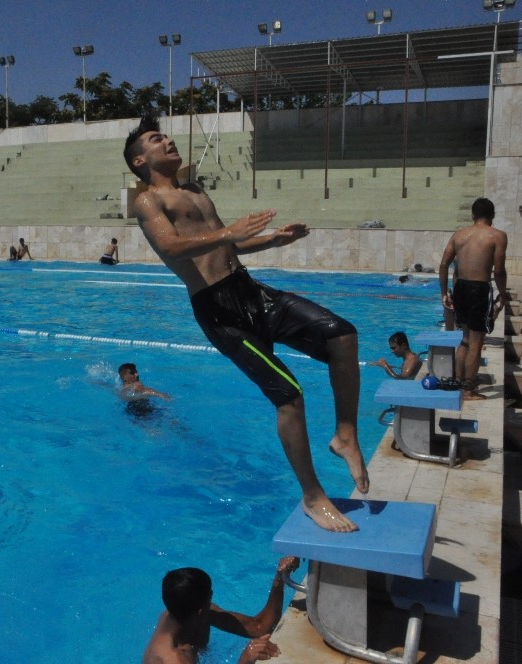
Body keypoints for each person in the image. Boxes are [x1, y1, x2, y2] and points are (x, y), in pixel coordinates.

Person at [124, 114, 367, 533]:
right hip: (218, 310)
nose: (167, 141)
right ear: (140, 161)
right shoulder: (148, 201)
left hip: (252, 292)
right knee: (288, 395)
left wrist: (272, 238)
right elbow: (171, 246)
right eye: (155, 139)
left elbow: (231, 242)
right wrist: (229, 234)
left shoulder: (196, 190)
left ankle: (345, 434)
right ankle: (312, 495)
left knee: (343, 336)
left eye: (165, 135)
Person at [142, 557, 300, 664]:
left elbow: (260, 627)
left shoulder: (186, 610)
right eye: (210, 595)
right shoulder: (172, 659)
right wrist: (244, 659)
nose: (212, 598)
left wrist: (280, 578)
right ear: (200, 610)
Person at [438, 197, 508, 400]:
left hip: (460, 287)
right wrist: (502, 295)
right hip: (480, 288)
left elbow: (444, 265)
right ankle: (468, 390)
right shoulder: (497, 236)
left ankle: (461, 382)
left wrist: (444, 292)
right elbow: (499, 271)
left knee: (465, 339)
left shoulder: (459, 235)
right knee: (477, 341)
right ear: (492, 216)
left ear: (473, 215)